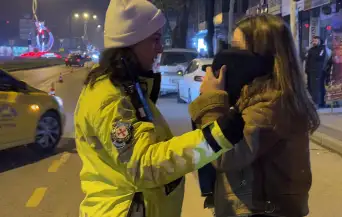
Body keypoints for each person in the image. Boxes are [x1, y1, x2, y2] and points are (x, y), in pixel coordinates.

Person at [74, 0, 245, 217]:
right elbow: (146, 165)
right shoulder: (109, 98)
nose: (160, 48)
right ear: (131, 43)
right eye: (155, 40)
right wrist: (215, 136)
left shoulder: (128, 86)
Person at [189, 14, 320, 217]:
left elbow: (224, 157)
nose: (228, 55)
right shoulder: (253, 94)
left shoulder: (271, 103)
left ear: (263, 55)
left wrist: (211, 102)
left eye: (237, 48)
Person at [305, 36, 332, 108]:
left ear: (319, 41)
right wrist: (306, 69)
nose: (314, 42)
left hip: (318, 71)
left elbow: (319, 57)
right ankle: (320, 102)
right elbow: (307, 59)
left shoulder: (322, 49)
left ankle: (317, 103)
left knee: (316, 88)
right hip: (310, 71)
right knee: (311, 87)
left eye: (316, 41)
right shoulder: (311, 50)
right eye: (313, 41)